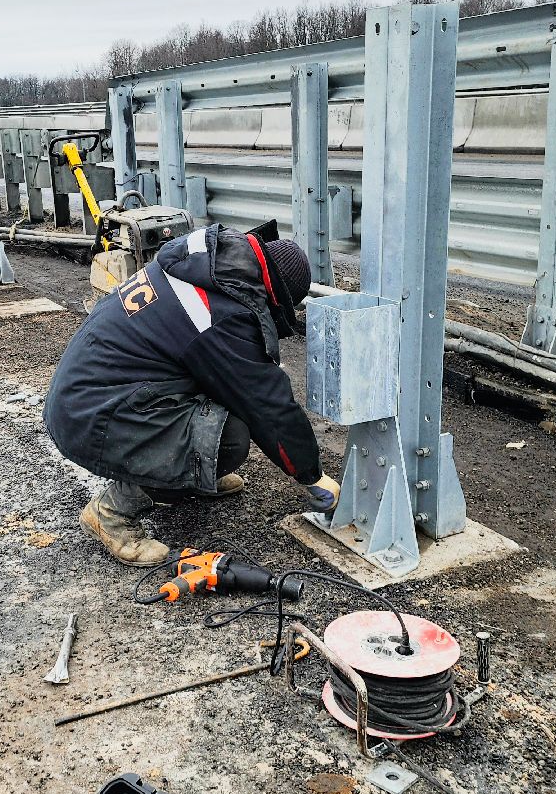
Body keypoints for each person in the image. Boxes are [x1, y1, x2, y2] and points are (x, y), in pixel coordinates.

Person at [44, 224, 341, 565]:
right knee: (227, 440)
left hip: (88, 396)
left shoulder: (207, 267)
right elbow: (267, 404)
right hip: (94, 415)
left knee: (223, 403)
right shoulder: (218, 315)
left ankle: (188, 476)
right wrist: (311, 475)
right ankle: (112, 511)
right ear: (274, 294)